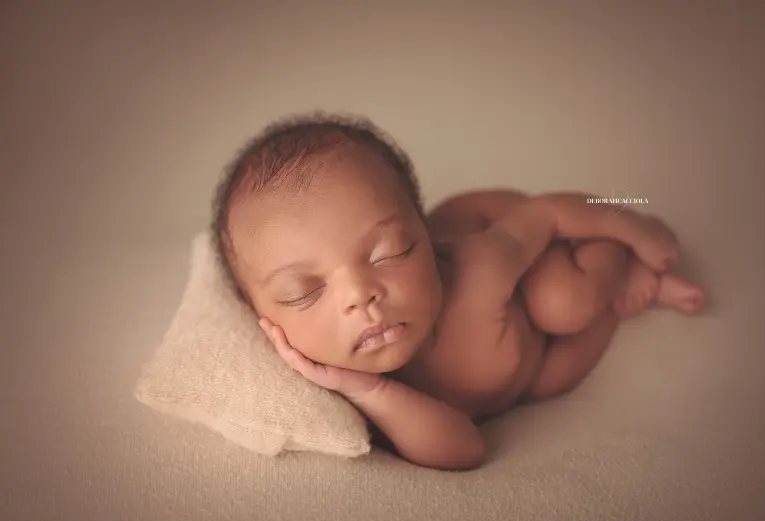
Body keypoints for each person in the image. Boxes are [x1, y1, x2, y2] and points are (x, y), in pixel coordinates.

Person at [211, 112, 707, 471]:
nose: (361, 294)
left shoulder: (478, 270)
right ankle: (620, 299)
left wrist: (631, 221)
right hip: (520, 368)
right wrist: (370, 390)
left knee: (562, 303)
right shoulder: (353, 396)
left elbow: (546, 214)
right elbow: (466, 450)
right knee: (551, 382)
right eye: (302, 292)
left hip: (520, 250)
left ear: (424, 235)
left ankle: (614, 255)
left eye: (390, 252)